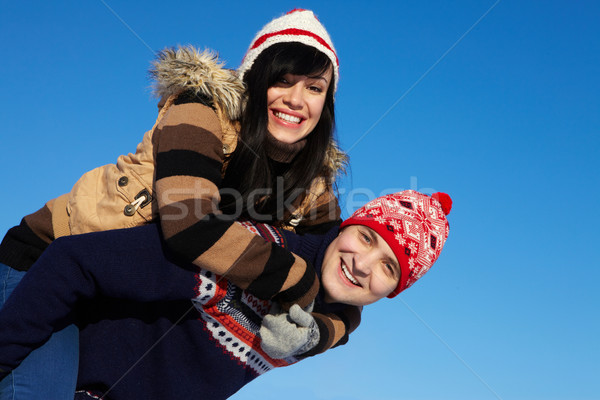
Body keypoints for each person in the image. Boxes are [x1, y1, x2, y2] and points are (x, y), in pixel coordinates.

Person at [0, 9, 359, 399]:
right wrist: (295, 279)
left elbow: (344, 282)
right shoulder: (200, 112)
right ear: (254, 82)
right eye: (282, 80)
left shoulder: (311, 188)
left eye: (314, 88)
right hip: (45, 266)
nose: (295, 99)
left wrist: (316, 333)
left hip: (107, 303)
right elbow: (190, 223)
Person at [0, 190, 452, 399]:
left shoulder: (317, 328)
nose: (363, 265)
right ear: (345, 227)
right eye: (368, 239)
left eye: (389, 268)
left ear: (395, 290)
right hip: (52, 333)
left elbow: (340, 327)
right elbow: (75, 260)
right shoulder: (254, 254)